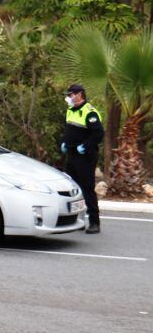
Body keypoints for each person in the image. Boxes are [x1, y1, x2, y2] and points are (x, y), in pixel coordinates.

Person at [61, 83, 104, 234]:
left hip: (85, 156)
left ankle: (94, 222)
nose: (69, 97)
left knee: (87, 188)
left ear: (79, 94)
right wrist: (66, 143)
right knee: (73, 188)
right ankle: (77, 221)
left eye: (71, 95)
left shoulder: (90, 112)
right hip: (72, 154)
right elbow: (69, 130)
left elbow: (98, 134)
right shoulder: (71, 110)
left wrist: (85, 146)